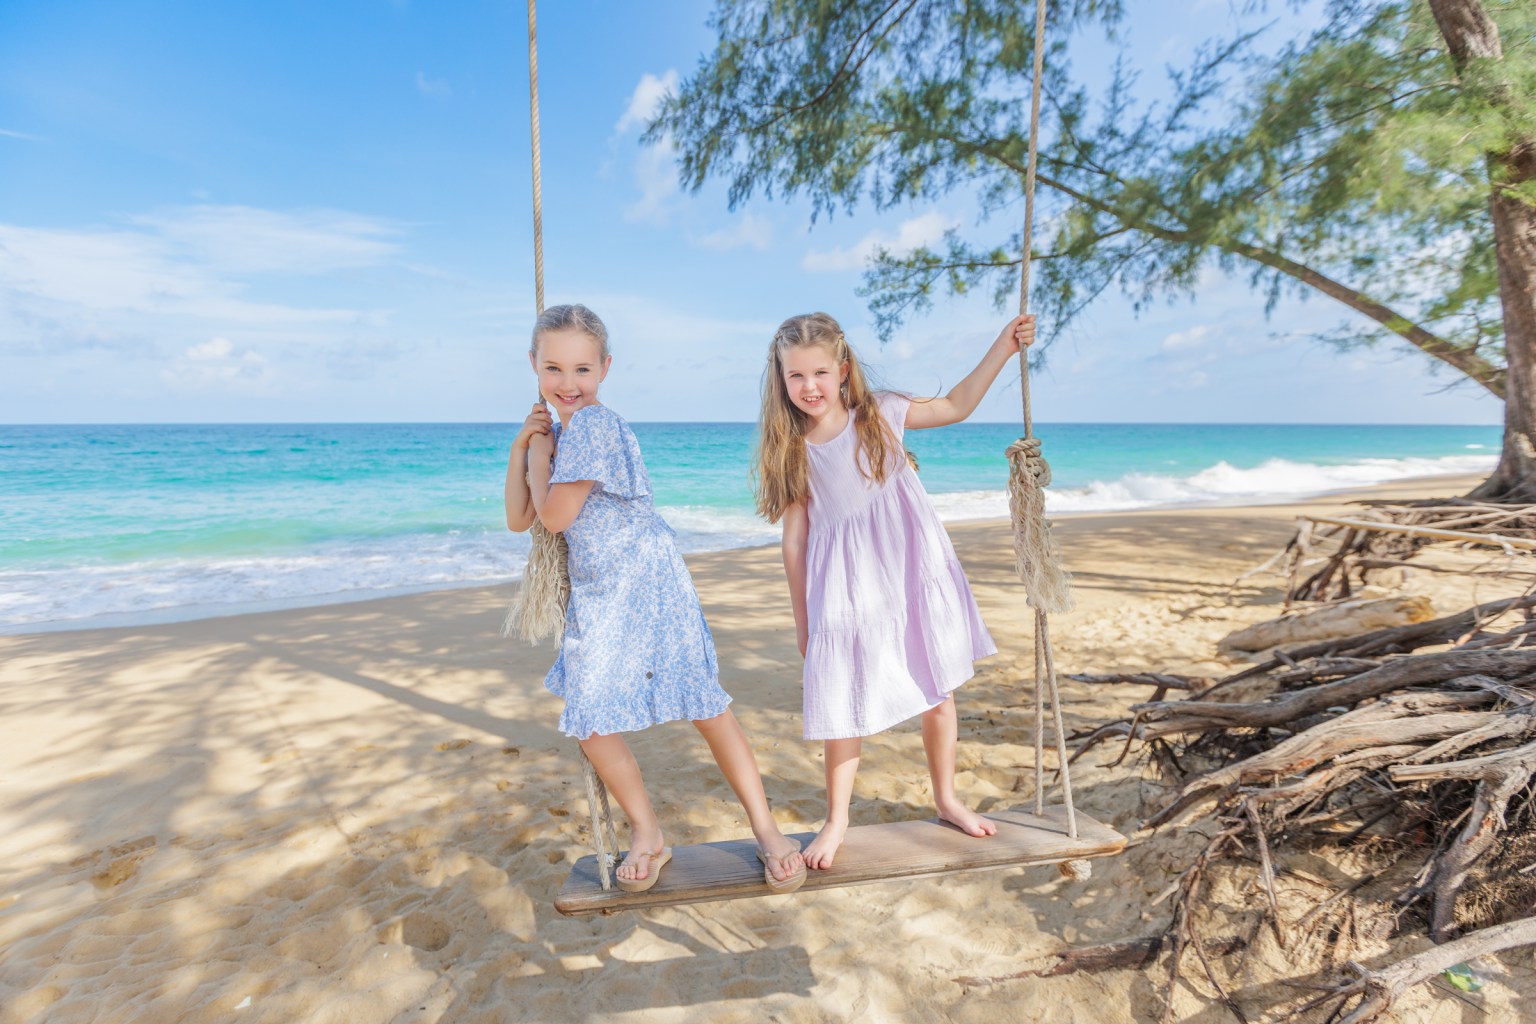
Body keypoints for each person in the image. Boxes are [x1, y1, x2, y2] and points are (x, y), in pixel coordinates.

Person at [505, 303, 806, 893]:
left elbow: (556, 516)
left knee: (704, 706)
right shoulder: (563, 431)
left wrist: (540, 458)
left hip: (645, 583)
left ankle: (767, 830)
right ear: (534, 367)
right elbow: (520, 518)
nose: (568, 384)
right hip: (602, 592)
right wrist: (523, 446)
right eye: (554, 369)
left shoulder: (591, 426)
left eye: (583, 370)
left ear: (606, 368)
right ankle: (650, 833)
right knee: (590, 717)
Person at [755, 311, 1036, 869]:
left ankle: (947, 797)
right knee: (842, 706)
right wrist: (803, 620)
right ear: (780, 380)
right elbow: (794, 544)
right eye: (796, 377)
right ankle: (836, 820)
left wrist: (1003, 347)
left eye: (819, 372)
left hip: (909, 571)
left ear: (842, 370)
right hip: (846, 588)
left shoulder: (880, 412)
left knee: (938, 689)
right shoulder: (795, 448)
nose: (809, 387)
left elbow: (956, 405)